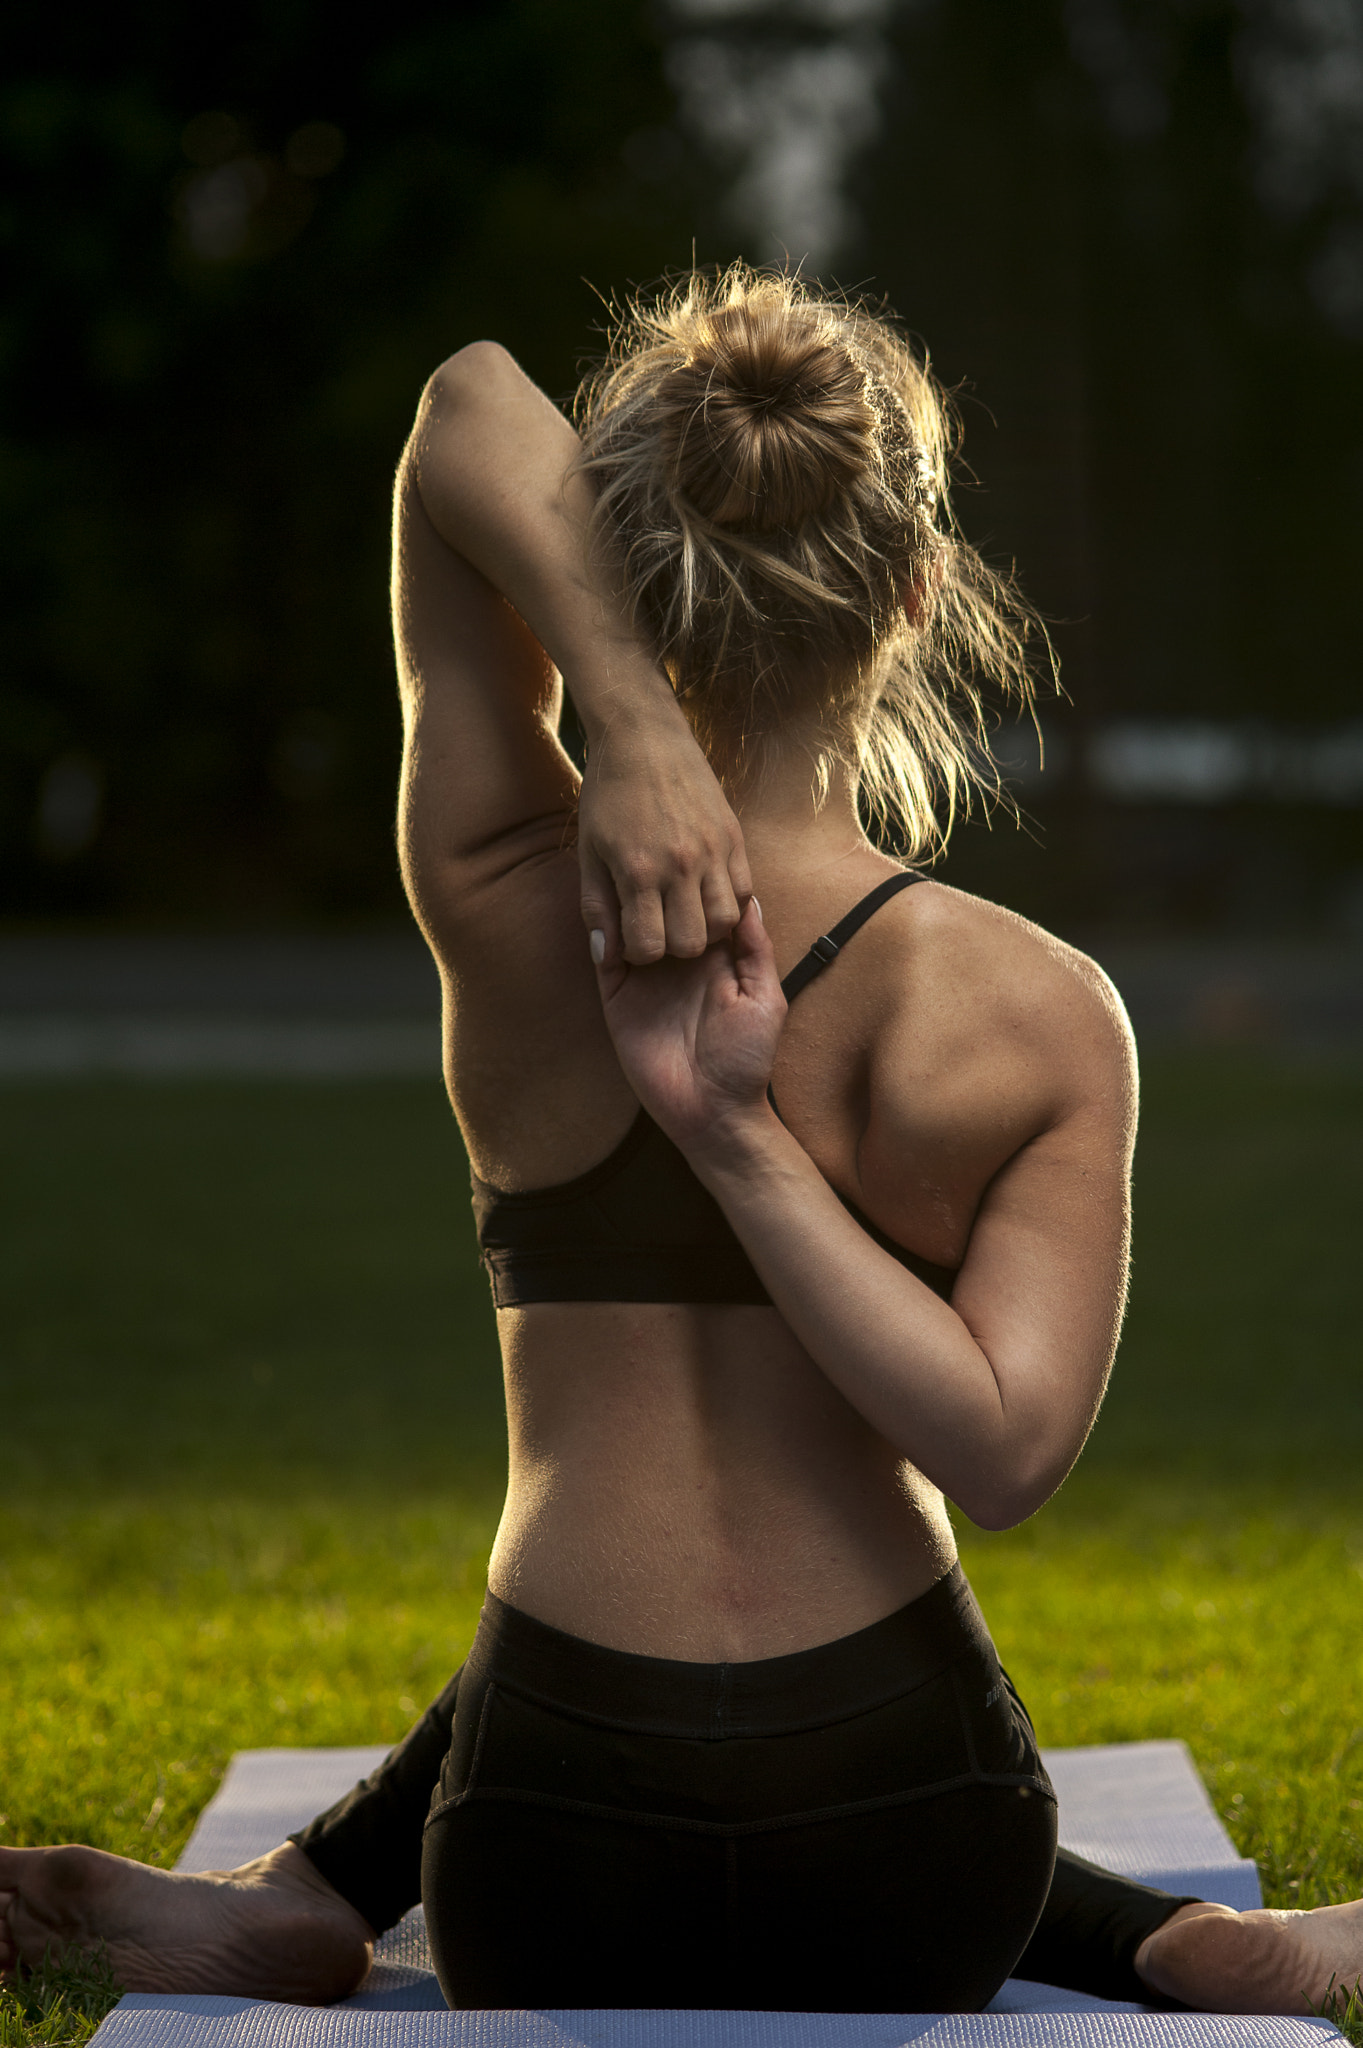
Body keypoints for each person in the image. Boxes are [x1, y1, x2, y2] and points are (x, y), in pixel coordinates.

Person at [2, 267, 1360, 2016]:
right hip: (917, 1846)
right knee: (876, 1679)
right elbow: (1009, 1460)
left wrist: (620, 724)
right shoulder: (1041, 1008)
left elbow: (466, 402)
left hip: (544, 1851)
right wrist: (750, 1145)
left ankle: (305, 1886)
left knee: (565, 1622)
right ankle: (1162, 1941)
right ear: (920, 597)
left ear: (626, 589)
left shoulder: (505, 887)